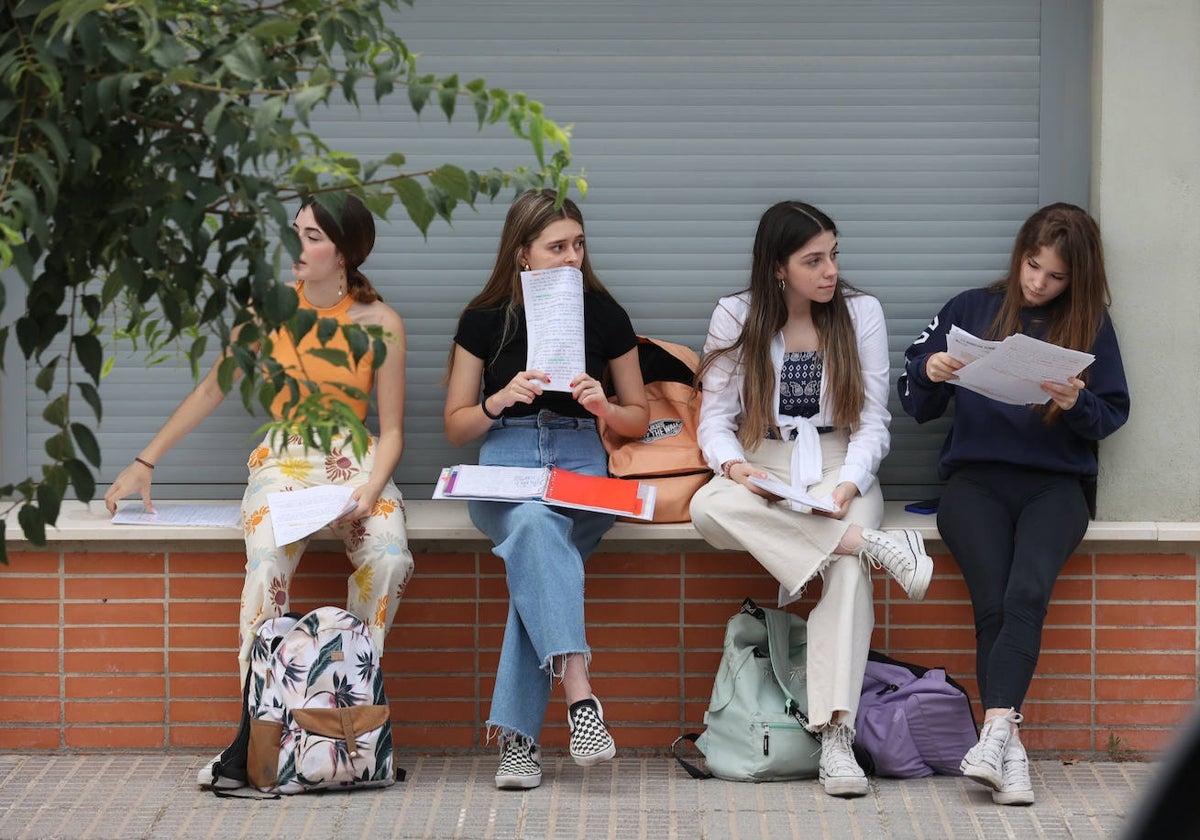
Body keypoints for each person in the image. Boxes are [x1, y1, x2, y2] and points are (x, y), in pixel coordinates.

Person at [102, 195, 415, 787]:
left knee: (392, 559)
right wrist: (145, 460)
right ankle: (259, 730)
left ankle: (340, 701)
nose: (297, 248)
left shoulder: (382, 324)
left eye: (313, 237)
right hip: (283, 459)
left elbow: (394, 430)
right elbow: (211, 388)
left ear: (345, 251)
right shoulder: (267, 312)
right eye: (295, 233)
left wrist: (372, 489)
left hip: (355, 462)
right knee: (267, 564)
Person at [689, 200, 934, 799]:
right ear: (779, 268)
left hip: (838, 460)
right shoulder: (736, 315)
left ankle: (835, 736)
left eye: (834, 255)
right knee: (706, 508)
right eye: (814, 260)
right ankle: (872, 542)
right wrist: (736, 467)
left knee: (847, 572)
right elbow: (713, 420)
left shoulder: (860, 312)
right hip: (763, 460)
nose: (831, 271)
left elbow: (875, 420)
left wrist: (848, 485)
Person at [898, 202, 1130, 806]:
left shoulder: (1091, 325)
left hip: (1056, 487)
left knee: (1026, 593)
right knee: (994, 604)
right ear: (1020, 253)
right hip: (975, 483)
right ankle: (1009, 752)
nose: (1038, 283)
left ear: (1075, 278)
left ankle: (997, 734)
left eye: (1055, 276)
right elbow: (914, 402)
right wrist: (932, 369)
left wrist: (1076, 401)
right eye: (1033, 266)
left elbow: (1110, 418)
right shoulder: (970, 308)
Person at [443, 189, 649, 791]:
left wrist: (603, 406)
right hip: (505, 452)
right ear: (522, 255)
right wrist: (498, 400)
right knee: (534, 529)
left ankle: (519, 744)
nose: (571, 259)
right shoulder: (482, 320)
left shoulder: (607, 315)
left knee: (536, 556)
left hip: (582, 452)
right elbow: (456, 425)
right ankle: (580, 694)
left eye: (578, 245)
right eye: (556, 247)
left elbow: (638, 416)